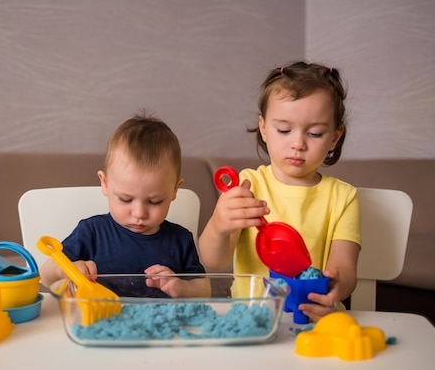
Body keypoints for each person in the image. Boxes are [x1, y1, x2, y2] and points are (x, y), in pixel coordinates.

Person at [198, 61, 360, 322]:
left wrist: (336, 285)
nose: (298, 144)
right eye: (284, 130)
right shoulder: (247, 186)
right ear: (263, 128)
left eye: (316, 133)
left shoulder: (343, 197)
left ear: (335, 137)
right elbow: (212, 260)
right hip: (252, 318)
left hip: (314, 317)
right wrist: (219, 226)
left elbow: (346, 267)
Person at [40, 112, 210, 298]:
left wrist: (182, 287)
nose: (139, 213)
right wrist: (66, 270)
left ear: (174, 190)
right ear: (105, 184)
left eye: (154, 201)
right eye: (126, 199)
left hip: (160, 323)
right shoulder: (92, 231)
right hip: (103, 320)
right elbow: (46, 275)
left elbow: (205, 289)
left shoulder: (180, 239)